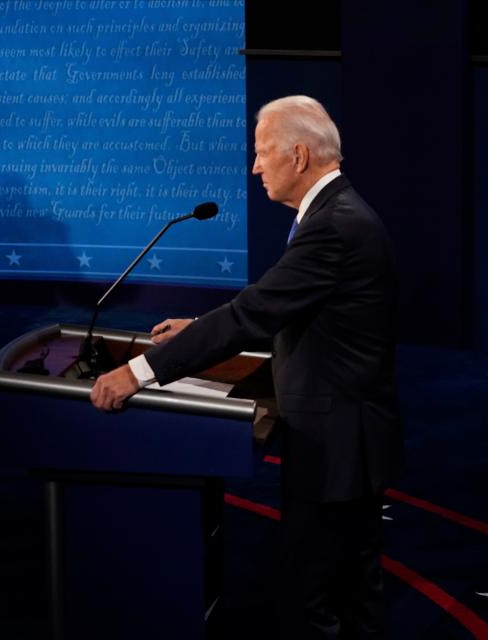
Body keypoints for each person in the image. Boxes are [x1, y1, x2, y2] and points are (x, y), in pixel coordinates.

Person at [90, 95, 403, 639]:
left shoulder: (333, 227)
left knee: (314, 596)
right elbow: (291, 309)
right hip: (351, 435)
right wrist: (199, 329)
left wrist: (138, 373)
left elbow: (255, 313)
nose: (254, 167)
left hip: (337, 444)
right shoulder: (340, 214)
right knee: (351, 588)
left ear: (299, 156)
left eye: (262, 153)